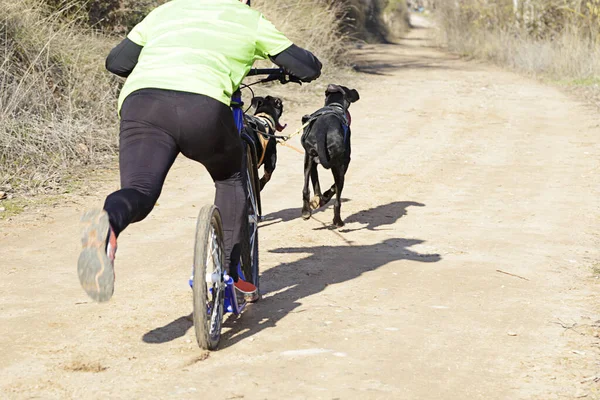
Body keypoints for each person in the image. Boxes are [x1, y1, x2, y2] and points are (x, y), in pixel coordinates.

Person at [77, 0, 322, 303]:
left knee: (140, 189)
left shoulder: (166, 11)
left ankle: (108, 223)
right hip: (202, 105)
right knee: (231, 178)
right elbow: (307, 67)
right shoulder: (248, 19)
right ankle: (227, 272)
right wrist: (296, 69)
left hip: (142, 104)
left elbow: (117, 63)